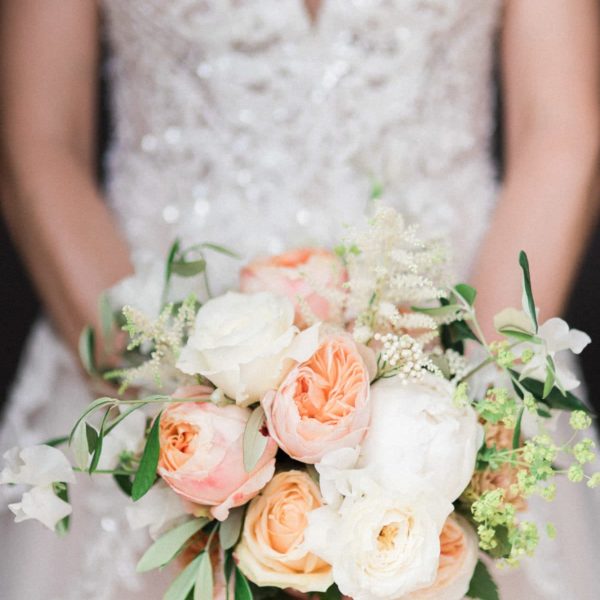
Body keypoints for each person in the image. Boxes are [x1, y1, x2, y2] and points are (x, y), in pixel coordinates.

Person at [0, 1, 599, 598]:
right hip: (135, 341)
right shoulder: (154, 400)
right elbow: (39, 140)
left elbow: (560, 127)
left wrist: (462, 418)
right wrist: (180, 432)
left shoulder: (470, 388)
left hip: (464, 335)